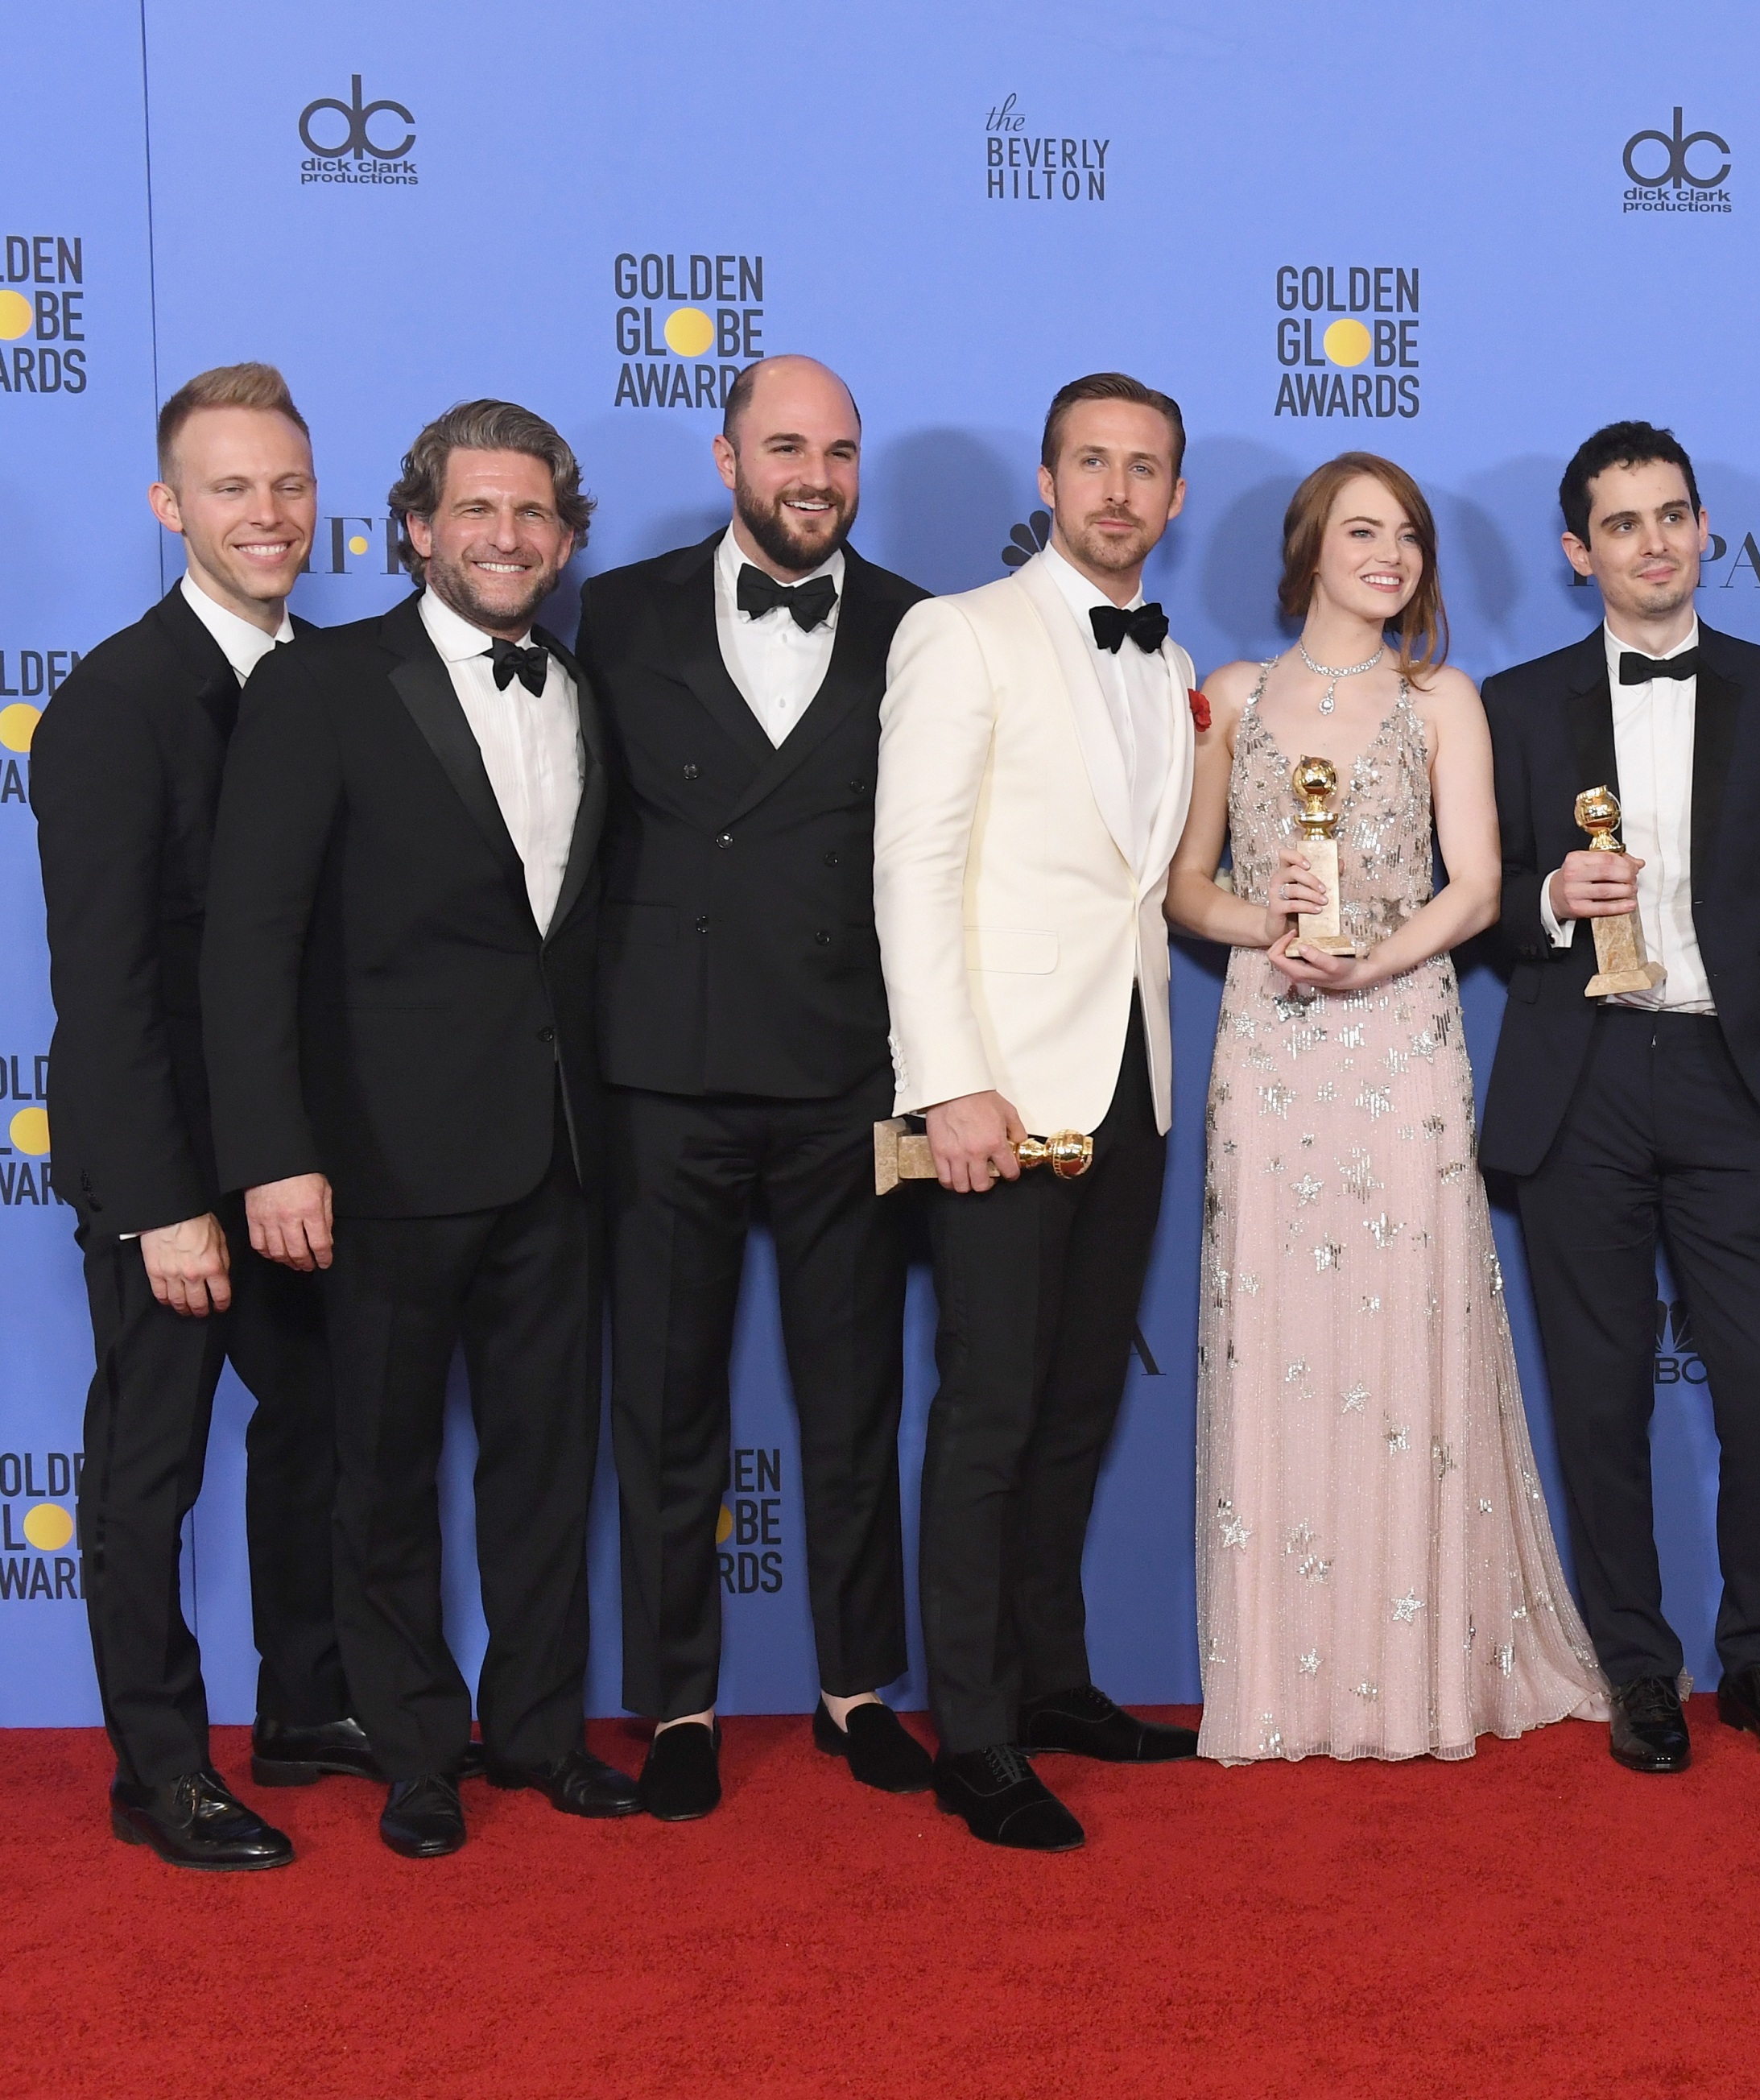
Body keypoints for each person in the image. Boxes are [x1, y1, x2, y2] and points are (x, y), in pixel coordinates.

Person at [203, 399, 641, 1858]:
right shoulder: (322, 686)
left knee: (543, 1467)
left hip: (558, 1157)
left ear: (565, 541)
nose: (506, 539)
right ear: (413, 528)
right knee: (379, 1471)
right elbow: (248, 940)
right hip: (378, 1161)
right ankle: (410, 1753)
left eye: (533, 517)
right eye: (477, 512)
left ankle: (535, 1736)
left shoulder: (580, 689)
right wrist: (272, 1150)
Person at [1168, 452, 1603, 1763]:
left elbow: (1477, 888)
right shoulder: (1230, 698)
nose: (1392, 554)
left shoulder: (1442, 699)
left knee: (1408, 1343)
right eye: (1364, 531)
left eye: (1408, 535)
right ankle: (1285, 1686)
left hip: (1403, 1039)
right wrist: (1273, 923)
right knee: (1279, 1338)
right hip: (1272, 1041)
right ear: (1308, 547)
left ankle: (1419, 1671)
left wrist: (1378, 959)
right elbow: (1188, 884)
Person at [578, 355, 933, 1820]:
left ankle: (858, 1690)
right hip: (663, 1072)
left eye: (841, 451)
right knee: (666, 1406)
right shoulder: (616, 611)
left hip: (852, 1068)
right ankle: (679, 1703)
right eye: (786, 446)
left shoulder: (923, 627)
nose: (816, 476)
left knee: (852, 1399)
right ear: (726, 458)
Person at [1477, 421, 1760, 1775]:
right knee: (1600, 1392)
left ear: (1704, 533)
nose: (1654, 543)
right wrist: (1543, 901)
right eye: (1623, 524)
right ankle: (1638, 1666)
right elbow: (1473, 899)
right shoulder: (1513, 706)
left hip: (1728, 1075)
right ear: (1579, 552)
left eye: (1674, 516)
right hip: (1578, 1076)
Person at [35, 364, 365, 1871]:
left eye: (288, 486)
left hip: (295, 1153)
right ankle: (159, 1766)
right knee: (150, 1463)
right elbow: (104, 988)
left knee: (314, 1434)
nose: (269, 515)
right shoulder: (115, 700)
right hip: (164, 1161)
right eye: (232, 489)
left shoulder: (338, 679)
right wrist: (166, 1201)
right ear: (172, 507)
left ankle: (306, 1708)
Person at [874, 372, 1201, 1851]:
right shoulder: (960, 632)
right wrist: (950, 1080)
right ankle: (978, 1733)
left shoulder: (1171, 655)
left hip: (1131, 1081)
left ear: (1174, 496)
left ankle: (1055, 1681)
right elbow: (912, 870)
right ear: (1051, 480)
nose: (1118, 491)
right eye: (1093, 463)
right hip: (998, 1086)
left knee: (1074, 1407)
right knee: (992, 1411)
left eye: (1144, 469)